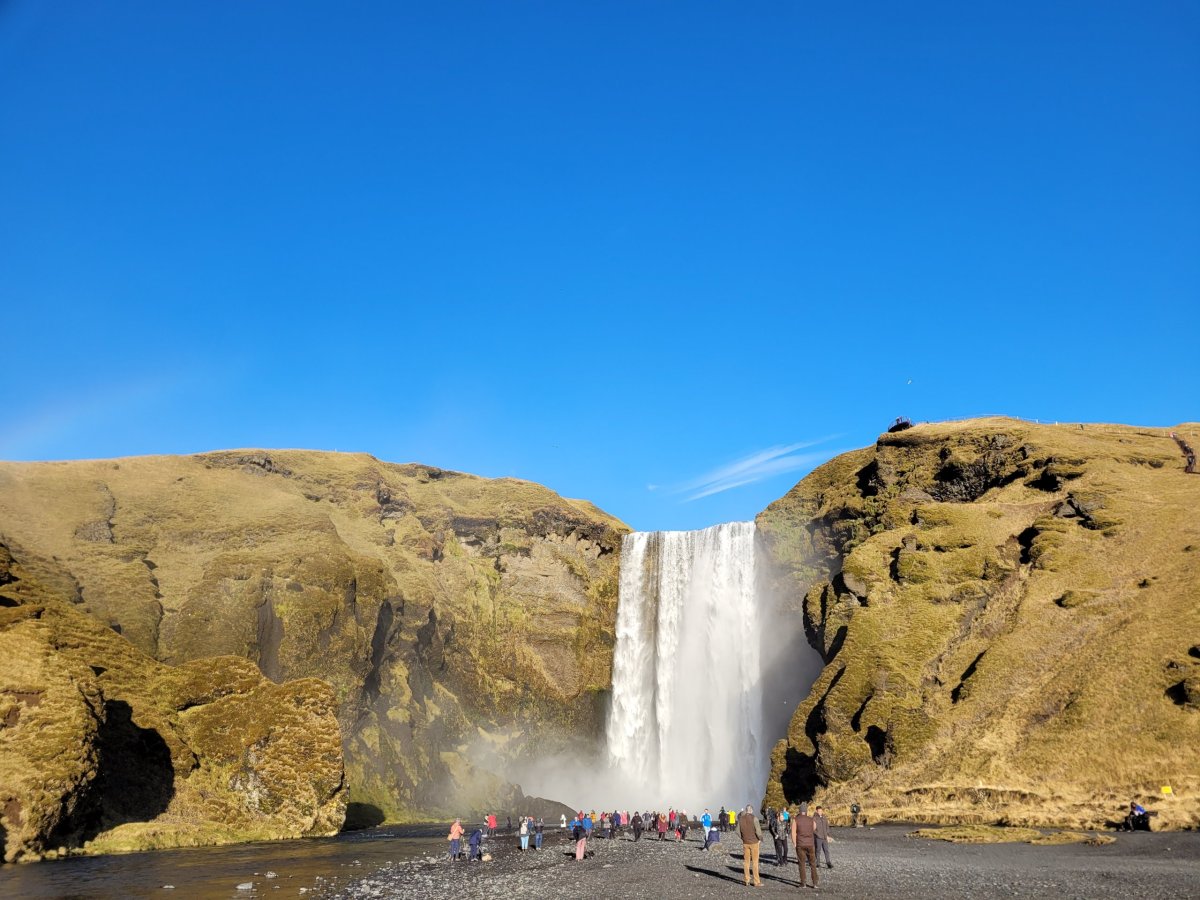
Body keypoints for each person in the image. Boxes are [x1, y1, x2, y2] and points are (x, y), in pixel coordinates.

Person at [790, 802, 818, 889]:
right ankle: (815, 883)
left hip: (800, 844)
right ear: (806, 811)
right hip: (810, 844)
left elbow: (793, 832)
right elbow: (814, 828)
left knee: (802, 864)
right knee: (812, 864)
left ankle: (803, 883)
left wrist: (794, 843)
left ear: (799, 810)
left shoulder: (796, 819)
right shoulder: (811, 819)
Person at [737, 804, 763, 888]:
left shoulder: (740, 819)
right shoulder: (754, 818)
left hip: (745, 842)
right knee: (755, 862)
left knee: (746, 862)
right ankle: (756, 882)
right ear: (751, 810)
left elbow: (737, 831)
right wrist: (760, 839)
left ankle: (747, 880)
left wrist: (743, 838)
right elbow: (758, 831)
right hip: (754, 843)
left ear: (746, 810)